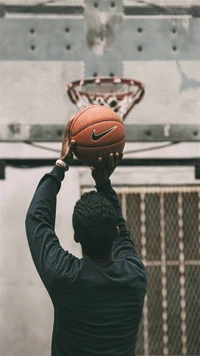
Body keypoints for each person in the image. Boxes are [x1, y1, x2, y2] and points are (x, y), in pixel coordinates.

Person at [25, 117, 147, 356]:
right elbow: (37, 220)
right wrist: (103, 183)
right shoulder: (135, 276)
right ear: (114, 231)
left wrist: (61, 164)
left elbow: (37, 220)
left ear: (76, 236)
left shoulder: (65, 277)